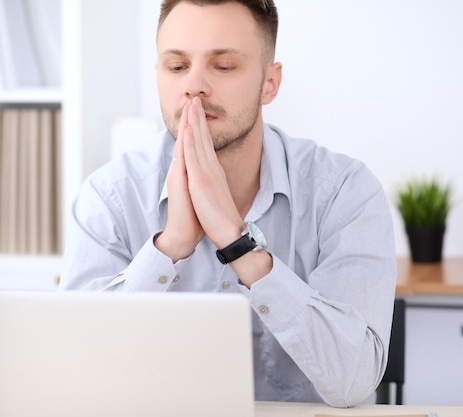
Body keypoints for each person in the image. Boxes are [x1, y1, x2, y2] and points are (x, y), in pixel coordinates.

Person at [60, 0, 397, 408]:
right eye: (177, 67)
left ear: (269, 83)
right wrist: (170, 246)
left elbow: (353, 382)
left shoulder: (345, 192)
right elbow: (75, 376)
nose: (194, 86)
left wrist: (239, 245)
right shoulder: (109, 197)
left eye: (223, 66)